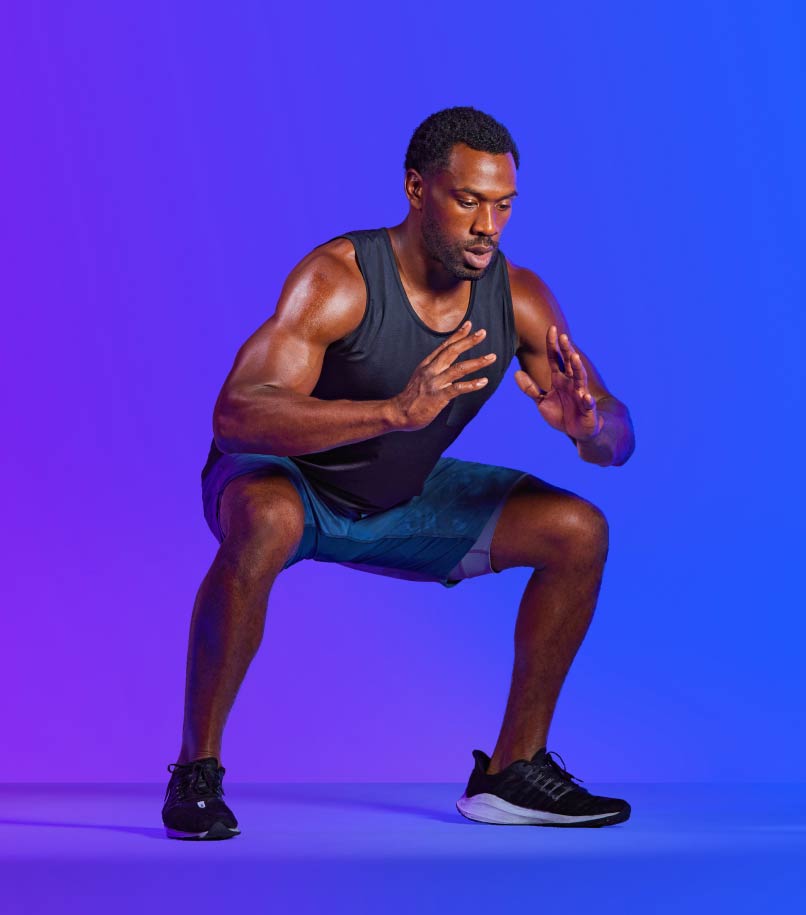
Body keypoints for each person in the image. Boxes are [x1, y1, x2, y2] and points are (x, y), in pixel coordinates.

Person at [161, 106, 636, 840]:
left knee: (578, 529)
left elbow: (617, 441)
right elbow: (236, 416)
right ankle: (197, 769)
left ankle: (512, 771)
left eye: (504, 204)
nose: (489, 224)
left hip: (398, 498)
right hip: (293, 483)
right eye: (468, 199)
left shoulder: (521, 297)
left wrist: (591, 425)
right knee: (268, 518)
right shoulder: (340, 278)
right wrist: (391, 413)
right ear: (417, 188)